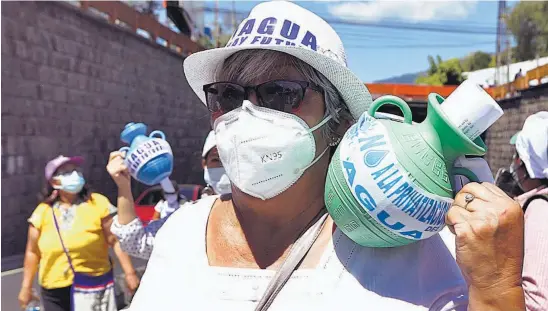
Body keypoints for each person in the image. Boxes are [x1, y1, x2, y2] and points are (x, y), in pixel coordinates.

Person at [124, 2, 525, 310]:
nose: (245, 113)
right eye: (228, 95)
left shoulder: (404, 251)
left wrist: (495, 290)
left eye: (280, 94)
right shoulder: (180, 233)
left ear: (337, 121)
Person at [18, 155, 140, 311]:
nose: (74, 175)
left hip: (93, 285)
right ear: (54, 182)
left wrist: (130, 273)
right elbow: (32, 252)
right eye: (67, 172)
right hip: (54, 289)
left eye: (75, 170)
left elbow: (115, 240)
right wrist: (26, 287)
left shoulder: (97, 203)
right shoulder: (42, 212)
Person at [109, 130, 231, 259]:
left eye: (233, 159)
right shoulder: (191, 218)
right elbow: (135, 242)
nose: (226, 167)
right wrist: (123, 186)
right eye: (217, 159)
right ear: (204, 164)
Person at [496, 111, 548, 311]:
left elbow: (537, 302)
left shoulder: (540, 208)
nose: (514, 162)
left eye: (517, 155)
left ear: (526, 162)